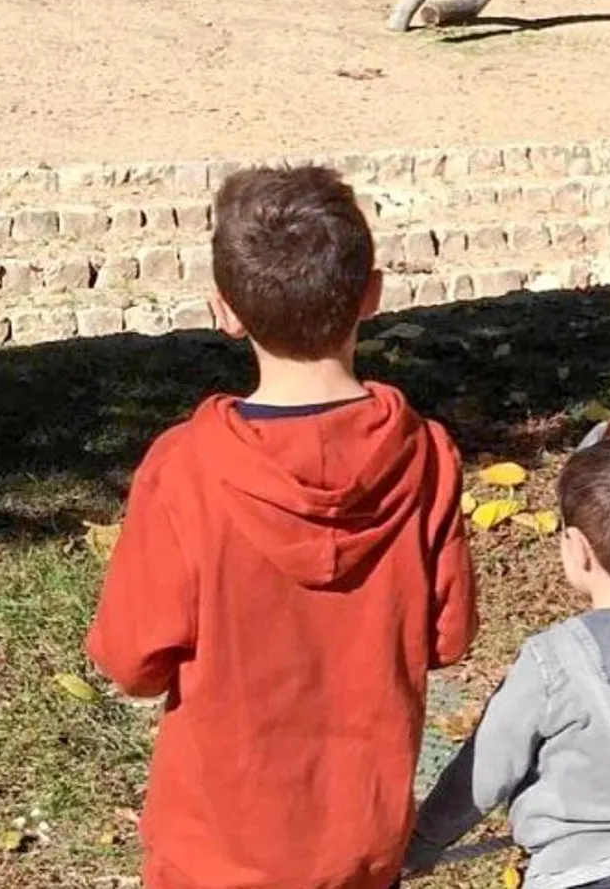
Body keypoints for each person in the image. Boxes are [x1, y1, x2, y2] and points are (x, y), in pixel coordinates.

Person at [86, 166, 478, 889]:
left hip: (212, 852)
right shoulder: (426, 457)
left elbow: (130, 658)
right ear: (373, 294)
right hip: (359, 847)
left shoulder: (186, 469)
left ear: (225, 310)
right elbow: (447, 637)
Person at [404, 436, 610, 889]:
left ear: (577, 549)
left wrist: (423, 842)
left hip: (574, 873)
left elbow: (486, 768)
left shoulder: (554, 659)